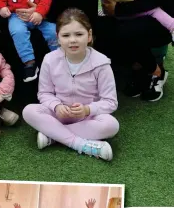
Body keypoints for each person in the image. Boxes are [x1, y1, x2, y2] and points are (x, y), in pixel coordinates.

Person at [23, 9, 119, 161]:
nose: (72, 40)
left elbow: (110, 102)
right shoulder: (49, 59)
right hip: (59, 115)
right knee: (29, 111)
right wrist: (56, 106)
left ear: (89, 35)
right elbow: (44, 93)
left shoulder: (101, 63)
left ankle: (53, 136)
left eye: (79, 34)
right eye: (66, 35)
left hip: (88, 118)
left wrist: (87, 109)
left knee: (111, 125)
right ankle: (80, 144)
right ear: (58, 38)